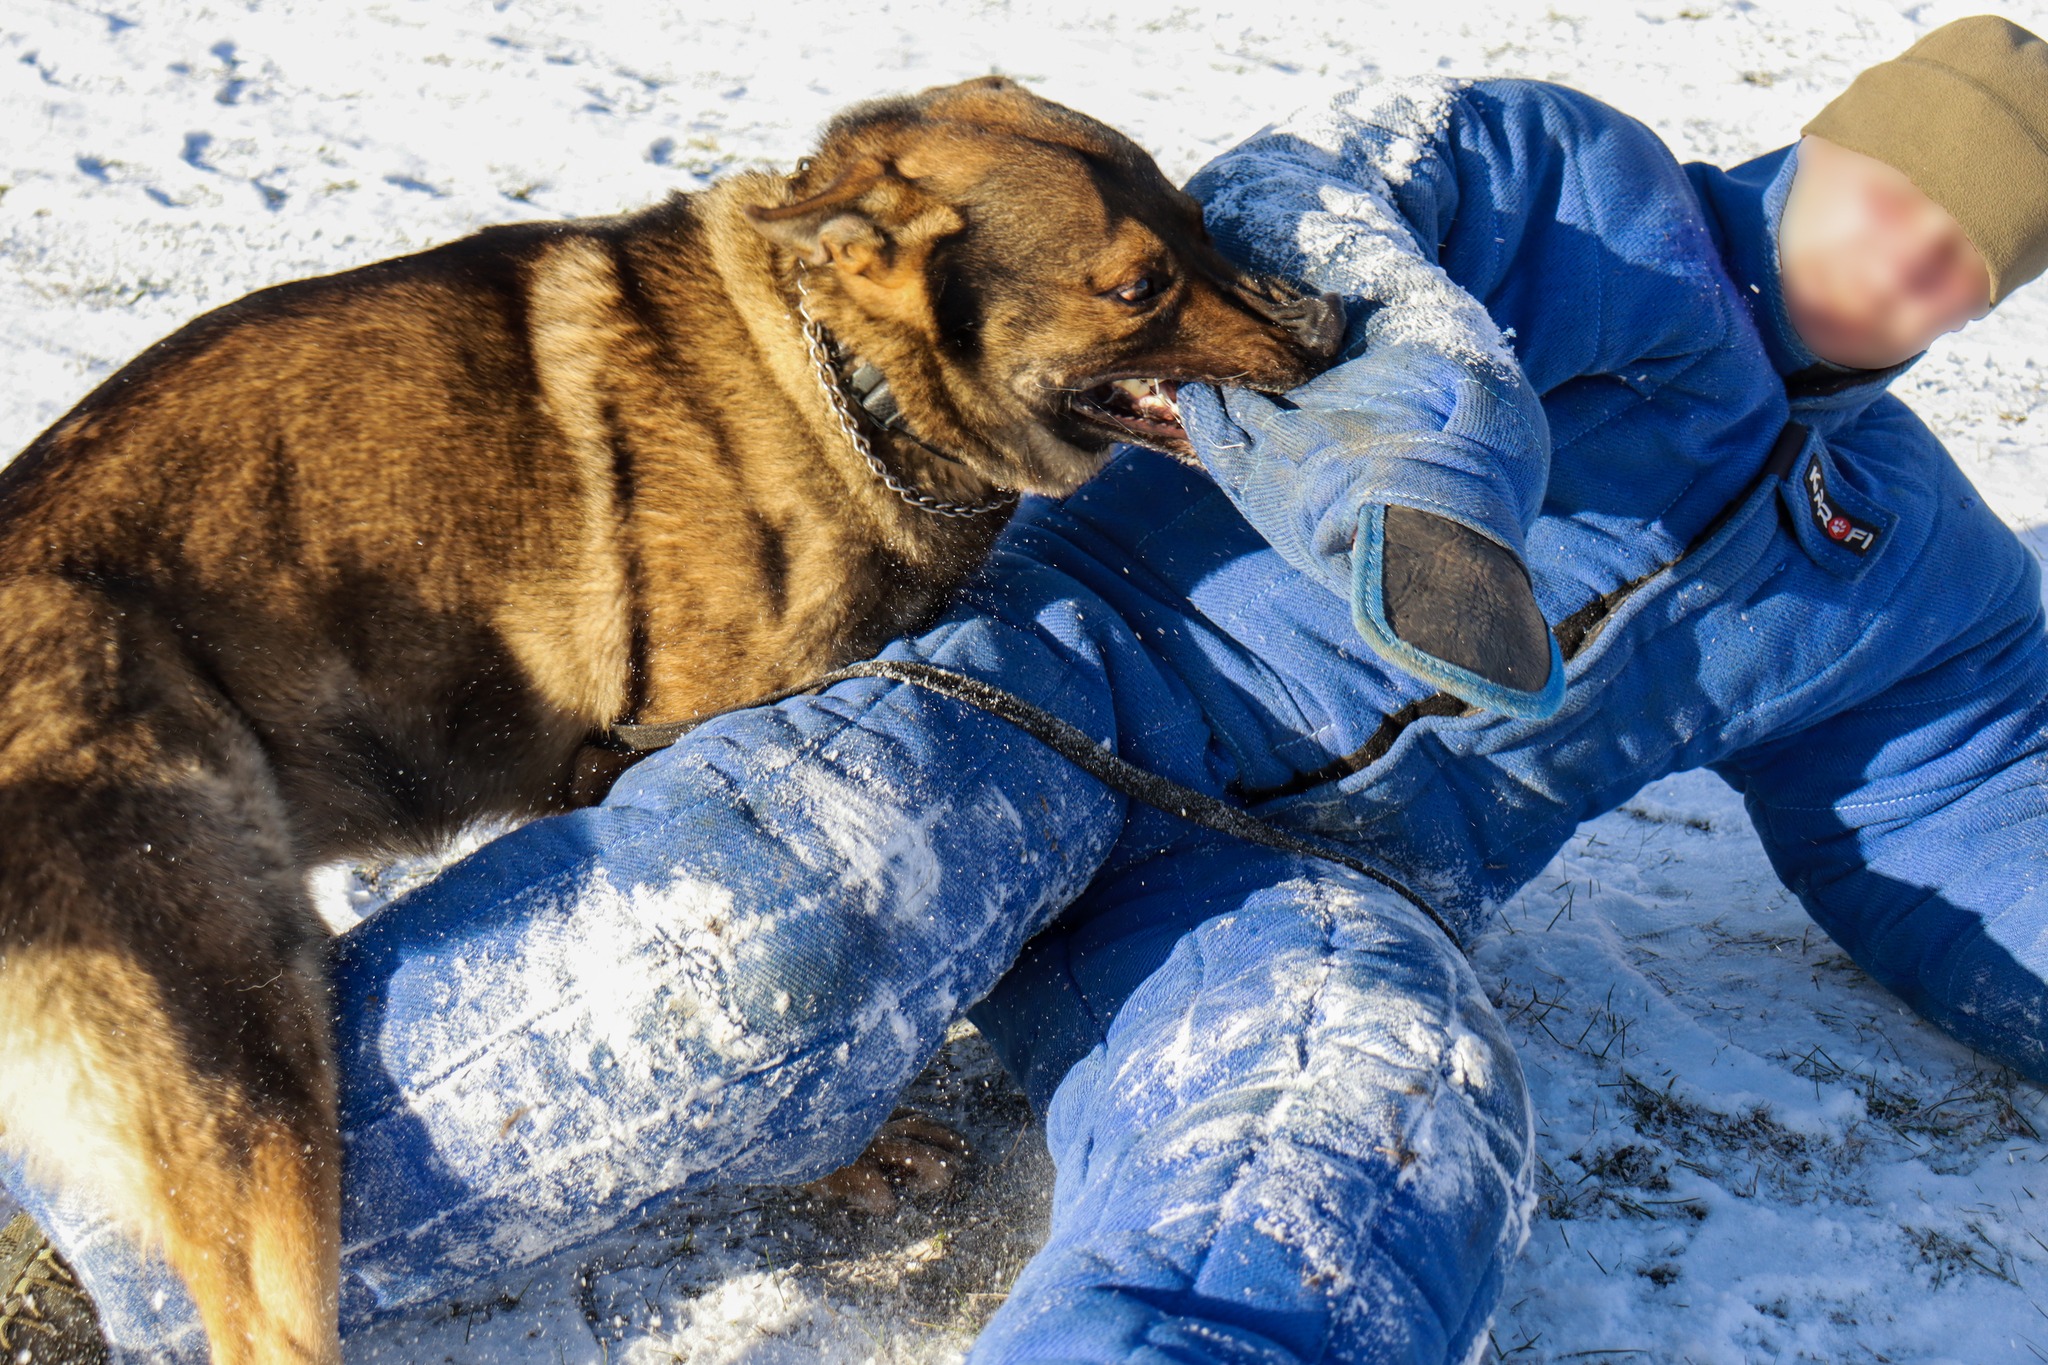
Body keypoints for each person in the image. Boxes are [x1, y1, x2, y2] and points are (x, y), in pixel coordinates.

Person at [12, 14, 2048, 1364]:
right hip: (1038, 688)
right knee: (759, 927)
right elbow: (1290, 217)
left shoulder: (1913, 551)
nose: (1910, 267)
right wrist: (1425, 465)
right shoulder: (1562, 179)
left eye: (1972, 261)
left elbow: (1979, 806)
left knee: (1375, 1128)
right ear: (1832, 139)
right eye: (1900, 199)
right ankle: (87, 1223)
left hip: (1315, 883)